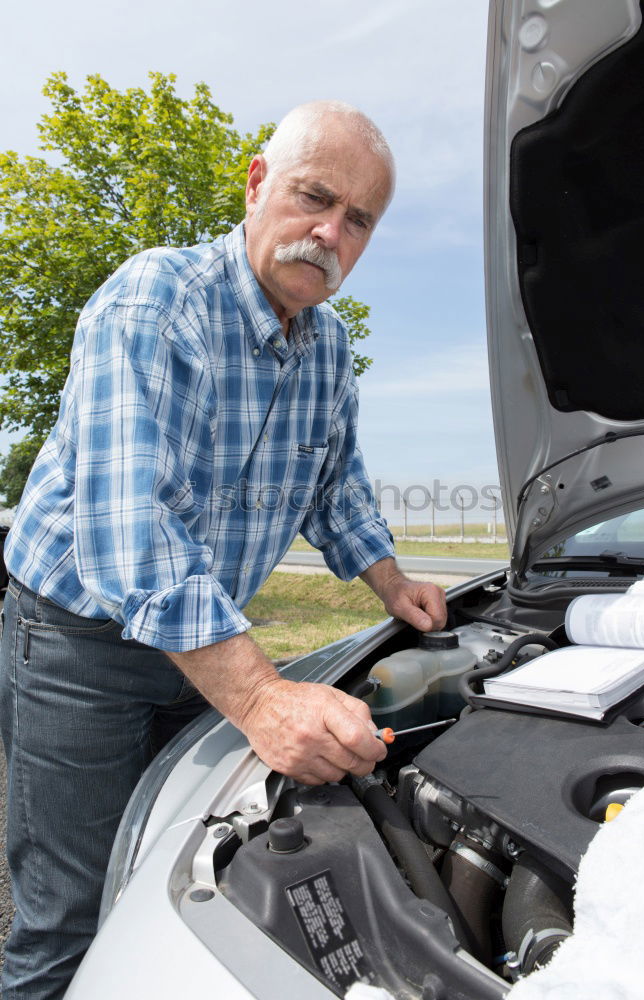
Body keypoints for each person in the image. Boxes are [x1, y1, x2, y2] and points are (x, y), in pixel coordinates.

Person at [0, 100, 447, 999]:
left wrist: (393, 583)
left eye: (357, 220)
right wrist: (260, 697)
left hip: (202, 643)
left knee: (164, 872)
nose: (329, 231)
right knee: (72, 909)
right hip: (79, 646)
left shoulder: (328, 349)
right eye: (315, 197)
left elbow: (337, 488)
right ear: (255, 183)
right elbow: (131, 531)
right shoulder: (154, 301)